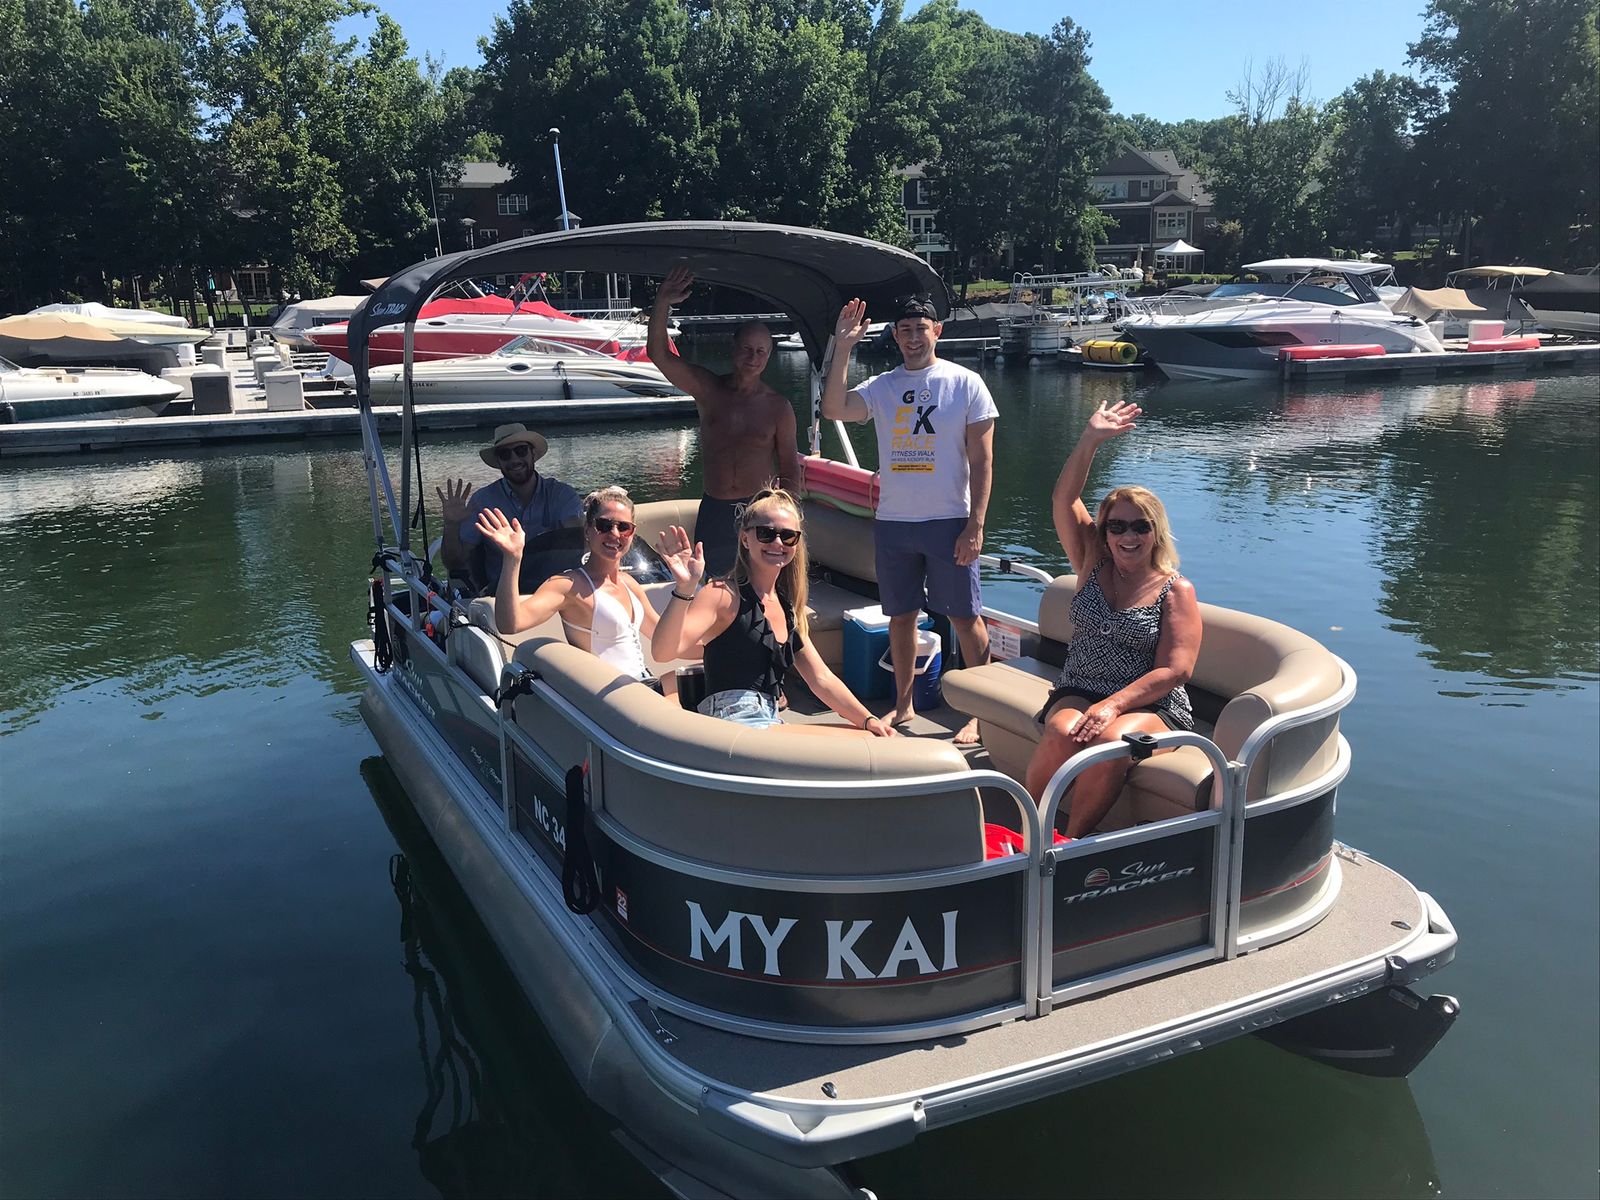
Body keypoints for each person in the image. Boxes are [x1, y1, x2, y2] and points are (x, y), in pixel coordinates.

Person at [821, 293, 997, 743]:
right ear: (895, 337)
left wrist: (976, 525)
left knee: (965, 617)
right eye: (905, 330)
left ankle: (982, 714)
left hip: (949, 520)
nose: (913, 337)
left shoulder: (966, 383)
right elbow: (834, 408)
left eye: (921, 328)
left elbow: (982, 461)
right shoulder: (883, 386)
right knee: (901, 616)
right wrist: (844, 347)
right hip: (894, 523)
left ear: (937, 331)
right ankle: (904, 703)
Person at [1023, 400, 1201, 838]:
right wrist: (1089, 441)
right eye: (1117, 527)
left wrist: (1113, 705)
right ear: (1104, 532)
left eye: (1140, 526)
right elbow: (1064, 499)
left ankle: (1070, 843)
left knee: (1109, 742)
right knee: (1062, 731)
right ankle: (1030, 832)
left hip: (1150, 705)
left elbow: (1177, 670)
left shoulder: (1175, 589)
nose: (1128, 536)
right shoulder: (1092, 561)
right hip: (1079, 686)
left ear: (1156, 532)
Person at [651, 487, 896, 737]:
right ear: (745, 539)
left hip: (768, 720)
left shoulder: (787, 609)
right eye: (766, 533)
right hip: (732, 723)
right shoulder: (723, 594)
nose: (777, 543)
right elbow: (662, 652)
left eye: (788, 536)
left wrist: (868, 720)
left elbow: (821, 678)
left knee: (868, 738)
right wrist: (685, 588)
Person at [648, 266, 802, 576]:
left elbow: (789, 470)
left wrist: (790, 519)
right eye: (747, 349)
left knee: (758, 587)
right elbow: (658, 354)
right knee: (712, 587)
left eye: (760, 351)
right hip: (715, 509)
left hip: (758, 512)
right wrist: (662, 302)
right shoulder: (709, 390)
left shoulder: (778, 407)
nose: (753, 357)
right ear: (734, 349)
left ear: (768, 356)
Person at [473, 485, 674, 694]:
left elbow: (667, 641)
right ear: (587, 530)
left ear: (632, 534)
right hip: (612, 698)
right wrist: (512, 558)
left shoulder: (629, 583)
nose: (614, 534)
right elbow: (510, 624)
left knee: (694, 678)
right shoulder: (568, 585)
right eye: (604, 525)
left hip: (645, 686)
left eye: (624, 527)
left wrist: (686, 590)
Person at [437, 424, 583, 593]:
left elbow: (580, 540)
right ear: (499, 462)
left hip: (556, 592)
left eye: (521, 450)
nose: (514, 459)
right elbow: (454, 563)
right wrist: (451, 525)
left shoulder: (562, 494)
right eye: (505, 454)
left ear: (533, 454)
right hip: (501, 596)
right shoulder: (482, 500)